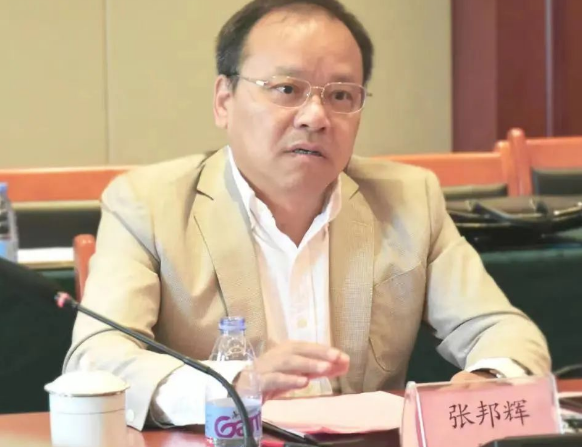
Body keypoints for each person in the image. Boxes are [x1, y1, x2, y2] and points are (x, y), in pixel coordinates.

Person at [64, 0, 550, 430]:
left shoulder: (409, 199)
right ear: (224, 100)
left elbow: (502, 330)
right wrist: (232, 386)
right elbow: (96, 360)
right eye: (286, 88)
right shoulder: (148, 205)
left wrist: (491, 377)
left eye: (340, 96)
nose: (315, 116)